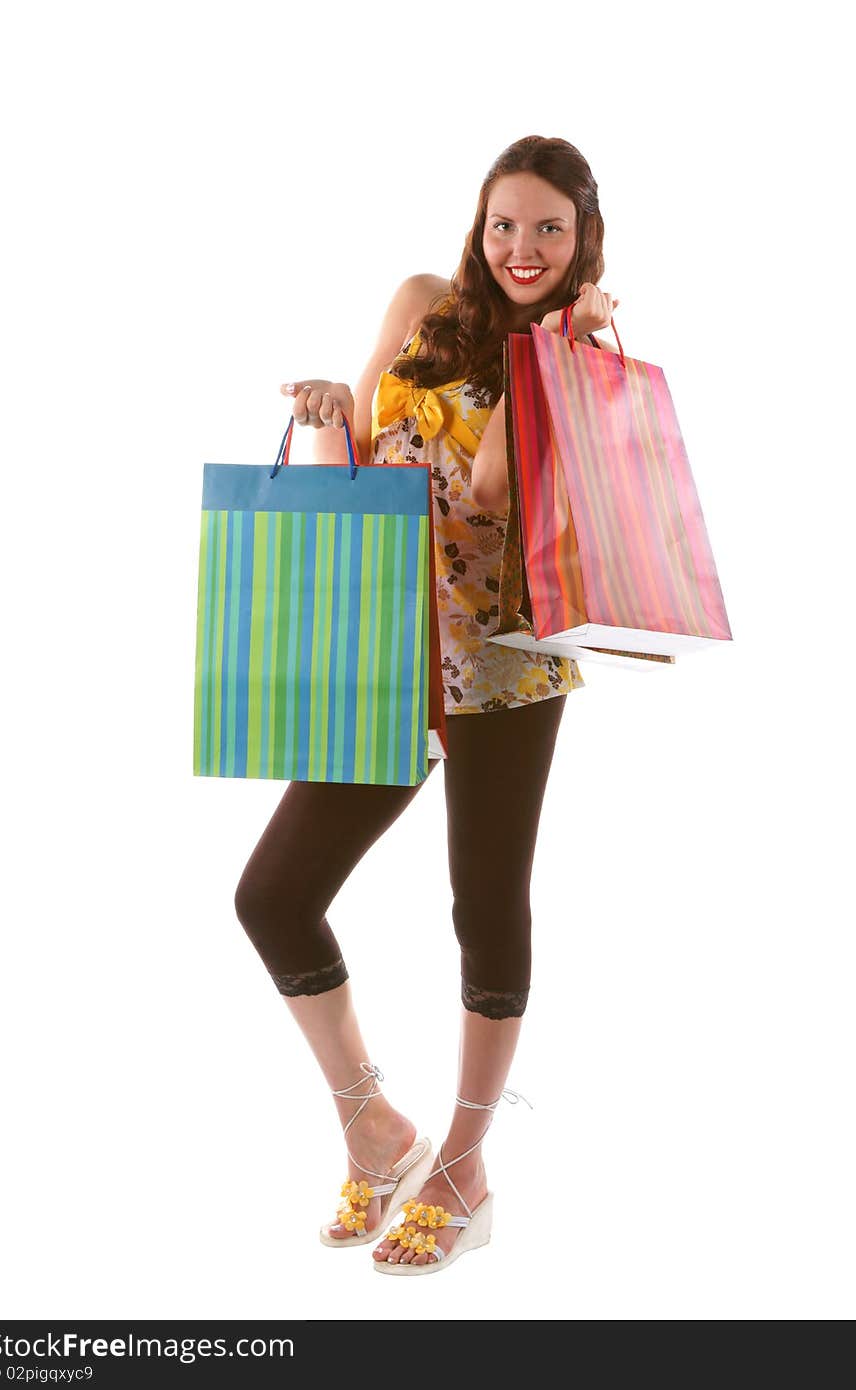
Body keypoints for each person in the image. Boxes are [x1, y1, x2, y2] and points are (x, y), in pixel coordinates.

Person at [233, 134, 620, 1274]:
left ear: (583, 237)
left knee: (485, 902)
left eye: (549, 227)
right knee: (273, 894)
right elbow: (360, 452)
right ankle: (373, 1125)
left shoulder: (572, 358)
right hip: (387, 643)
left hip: (503, 657)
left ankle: (462, 1164)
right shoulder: (418, 302)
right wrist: (322, 411)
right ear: (480, 221)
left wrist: (554, 351)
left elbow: (497, 495)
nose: (522, 247)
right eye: (506, 222)